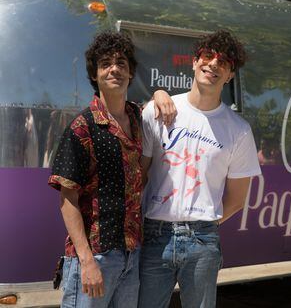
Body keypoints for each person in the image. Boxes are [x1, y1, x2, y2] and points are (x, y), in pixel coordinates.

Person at [48, 31, 175, 308]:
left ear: (130, 73)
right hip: (96, 256)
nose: (114, 68)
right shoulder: (82, 127)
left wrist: (160, 92)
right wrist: (86, 261)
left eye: (121, 63)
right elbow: (67, 198)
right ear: (95, 74)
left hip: (131, 254)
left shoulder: (139, 118)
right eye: (105, 63)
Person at [139, 29, 262, 308]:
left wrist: (202, 225)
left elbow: (237, 199)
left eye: (224, 62)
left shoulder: (239, 130)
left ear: (230, 75)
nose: (214, 65)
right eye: (208, 56)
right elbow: (140, 175)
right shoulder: (158, 111)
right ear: (194, 62)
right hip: (155, 235)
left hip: (203, 241)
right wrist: (157, 93)